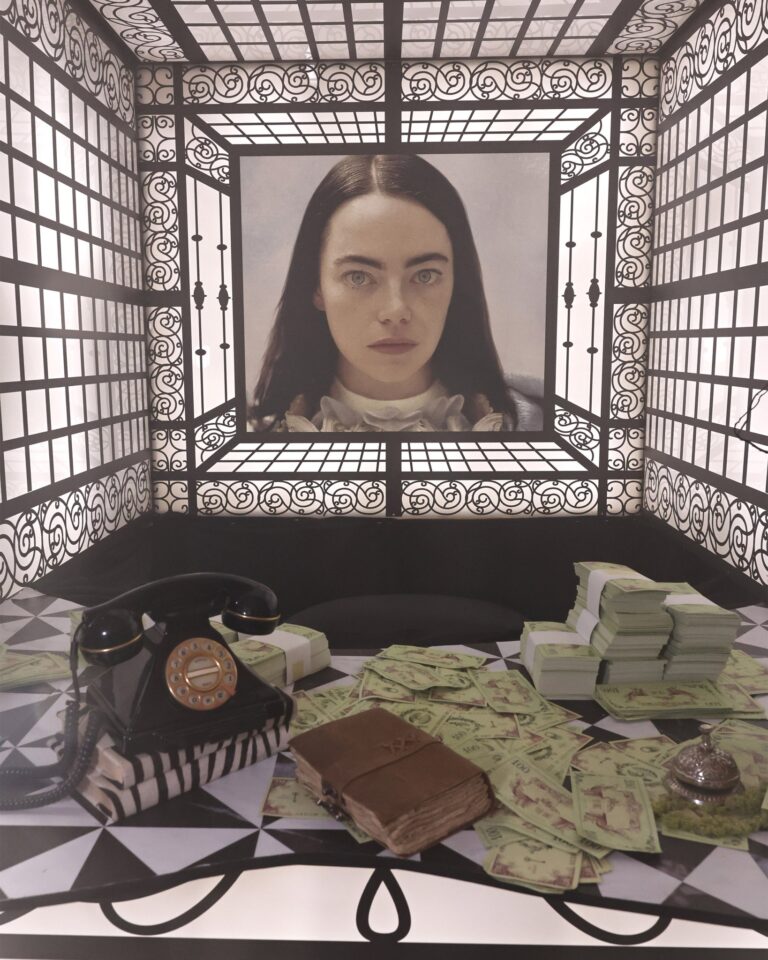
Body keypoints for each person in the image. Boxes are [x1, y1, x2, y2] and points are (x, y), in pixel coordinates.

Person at [249, 154, 543, 433]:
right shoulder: (248, 441)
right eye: (358, 277)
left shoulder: (540, 426)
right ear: (316, 287)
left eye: (425, 275)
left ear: (456, 283)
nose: (395, 310)